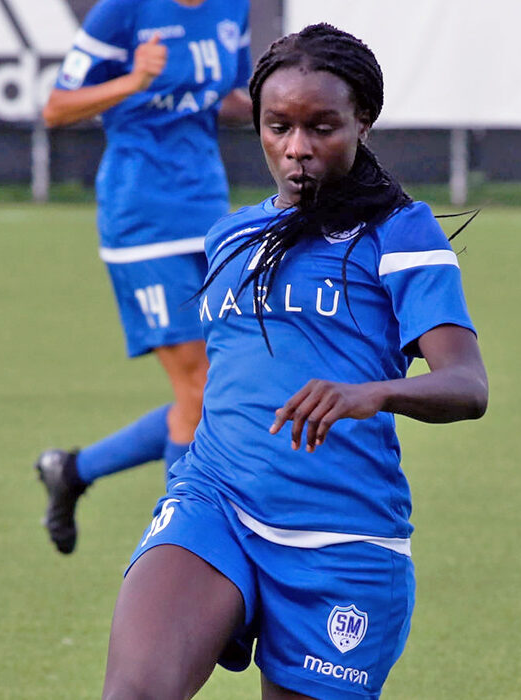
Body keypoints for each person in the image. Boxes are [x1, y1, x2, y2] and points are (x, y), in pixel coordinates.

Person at [100, 23, 489, 699]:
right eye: (278, 126)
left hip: (341, 536)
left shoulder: (399, 232)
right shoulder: (230, 237)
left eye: (321, 127)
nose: (296, 149)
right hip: (214, 502)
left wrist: (373, 392)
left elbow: (466, 384)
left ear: (362, 122)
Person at [34, 0, 254, 555]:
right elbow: (56, 107)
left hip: (208, 211)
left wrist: (282, 103)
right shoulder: (122, 12)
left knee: (226, 386)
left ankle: (75, 470)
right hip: (143, 219)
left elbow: (229, 96)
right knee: (200, 388)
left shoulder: (234, 8)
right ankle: (189, 548)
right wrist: (134, 79)